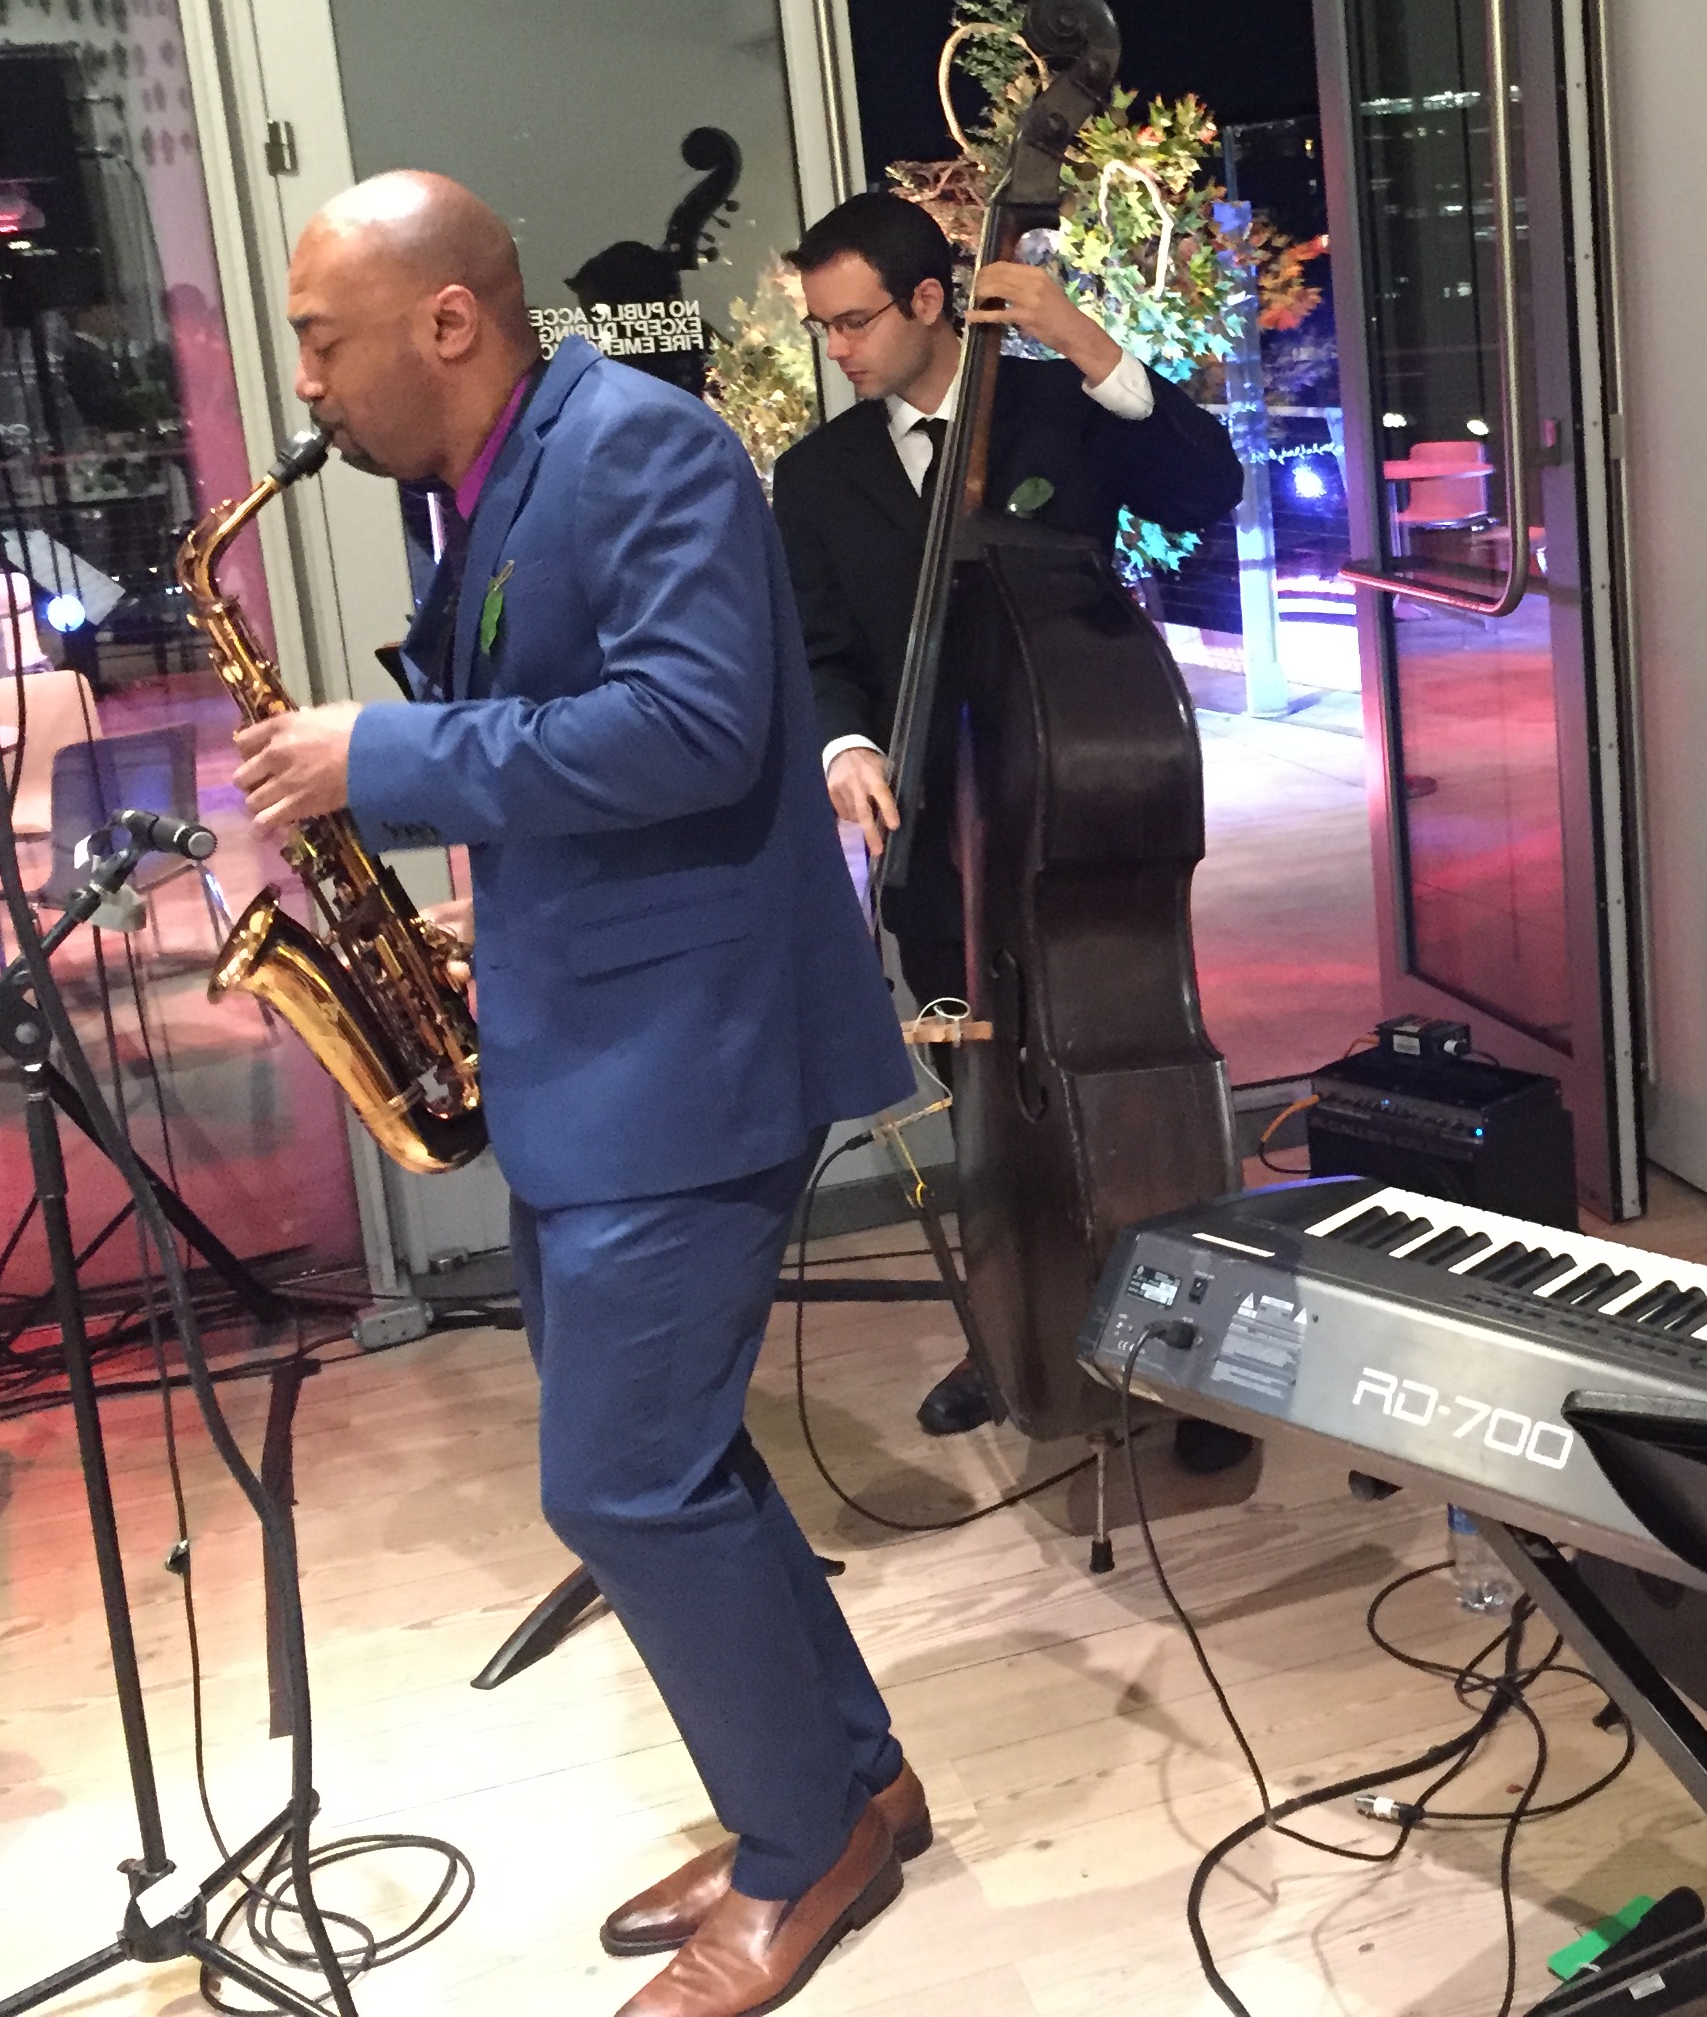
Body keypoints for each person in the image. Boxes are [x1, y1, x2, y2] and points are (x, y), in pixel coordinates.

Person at [233, 172, 925, 2017]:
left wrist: (383, 751)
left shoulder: (642, 447)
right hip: (600, 1039)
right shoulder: (497, 476)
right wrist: (502, 909)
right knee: (675, 1463)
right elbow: (590, 742)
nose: (304, 380)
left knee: (623, 1482)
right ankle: (849, 1785)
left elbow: (696, 726)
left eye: (322, 339)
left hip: (688, 1057)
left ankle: (801, 1847)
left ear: (448, 319)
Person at [768, 189, 1243, 1440]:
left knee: (1132, 1102)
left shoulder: (1054, 409)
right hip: (937, 842)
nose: (837, 348)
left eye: (854, 321)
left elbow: (1206, 489)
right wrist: (845, 747)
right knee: (979, 1113)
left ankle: (1184, 1358)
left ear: (931, 300)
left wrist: (1082, 338)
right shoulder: (814, 477)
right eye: (824, 327)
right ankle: (1009, 1335)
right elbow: (817, 650)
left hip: (1081, 818)